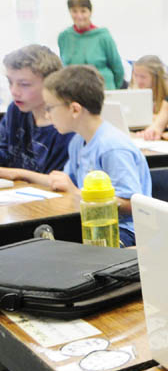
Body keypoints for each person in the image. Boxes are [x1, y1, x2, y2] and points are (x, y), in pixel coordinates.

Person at [14, 66, 151, 247]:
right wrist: (18, 174)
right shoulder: (78, 142)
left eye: (51, 108)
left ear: (75, 110)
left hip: (124, 232)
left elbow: (132, 204)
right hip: (92, 223)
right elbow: (62, 182)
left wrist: (75, 192)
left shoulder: (112, 147)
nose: (47, 114)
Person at [0, 45, 74, 180]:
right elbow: (4, 153)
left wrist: (13, 174)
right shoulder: (15, 110)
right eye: (10, 82)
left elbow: (56, 182)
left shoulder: (66, 127)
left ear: (50, 83)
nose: (14, 91)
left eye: (24, 84)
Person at [57, 0, 125, 90]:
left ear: (90, 12)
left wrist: (114, 91)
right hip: (74, 91)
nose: (79, 16)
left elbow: (118, 69)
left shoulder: (103, 36)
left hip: (103, 90)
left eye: (83, 11)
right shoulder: (64, 37)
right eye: (74, 11)